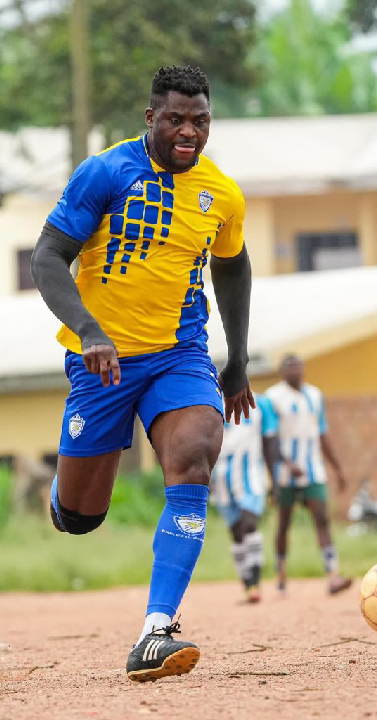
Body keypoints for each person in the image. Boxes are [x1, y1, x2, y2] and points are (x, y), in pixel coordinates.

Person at [29, 65, 253, 682]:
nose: (190, 131)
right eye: (177, 118)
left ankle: (157, 631)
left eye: (201, 120)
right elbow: (47, 257)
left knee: (196, 456)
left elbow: (233, 267)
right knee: (80, 517)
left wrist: (236, 359)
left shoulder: (222, 193)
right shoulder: (106, 172)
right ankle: (65, 493)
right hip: (102, 360)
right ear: (151, 118)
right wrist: (90, 330)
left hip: (180, 355)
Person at [263, 355, 351, 596]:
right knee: (284, 524)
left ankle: (333, 575)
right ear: (282, 371)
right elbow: (269, 439)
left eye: (298, 365)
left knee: (322, 518)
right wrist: (286, 464)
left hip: (313, 469)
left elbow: (322, 434)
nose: (295, 370)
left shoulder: (315, 395)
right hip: (284, 473)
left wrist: (338, 469)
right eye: (289, 366)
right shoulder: (273, 398)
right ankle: (281, 573)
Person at [210, 398, 277, 603]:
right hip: (221, 476)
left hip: (250, 475)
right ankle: (247, 583)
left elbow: (269, 442)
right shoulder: (211, 400)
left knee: (249, 525)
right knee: (236, 532)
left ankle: (255, 582)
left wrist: (274, 479)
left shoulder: (261, 404)